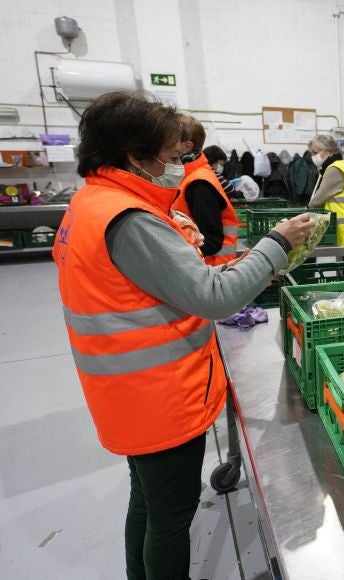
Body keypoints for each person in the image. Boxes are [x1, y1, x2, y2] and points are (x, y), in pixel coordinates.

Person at [52, 91, 315, 580]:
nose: (180, 166)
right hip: (157, 395)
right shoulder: (128, 220)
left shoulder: (92, 203)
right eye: (172, 157)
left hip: (127, 391)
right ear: (135, 155)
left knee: (148, 501)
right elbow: (213, 298)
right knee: (171, 517)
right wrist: (275, 246)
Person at [172, 116, 240, 265]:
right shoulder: (188, 177)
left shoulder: (198, 184)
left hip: (210, 268)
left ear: (187, 146)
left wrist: (172, 254)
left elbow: (211, 240)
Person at [307, 134, 344, 259]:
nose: (313, 156)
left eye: (315, 152)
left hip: (343, 228)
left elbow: (317, 200)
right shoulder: (340, 165)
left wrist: (308, 208)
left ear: (328, 151)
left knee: (343, 268)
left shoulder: (334, 169)